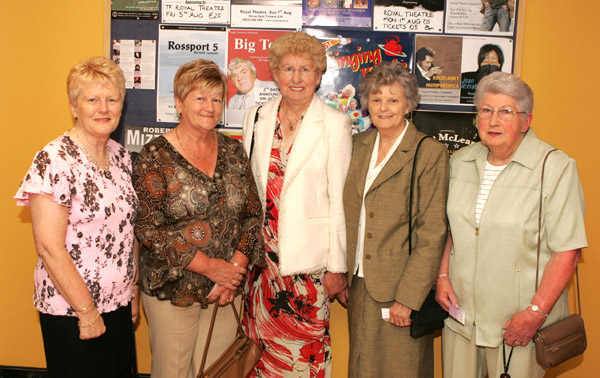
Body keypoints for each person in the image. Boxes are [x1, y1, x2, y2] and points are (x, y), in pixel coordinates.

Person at [436, 72, 587, 377]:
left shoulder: (554, 168)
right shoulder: (459, 162)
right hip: (462, 319)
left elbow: (566, 253)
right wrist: (442, 276)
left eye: (506, 112)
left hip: (518, 325)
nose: (493, 121)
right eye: (486, 110)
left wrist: (535, 314)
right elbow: (454, 230)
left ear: (526, 121)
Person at [133, 59, 264, 378]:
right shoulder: (154, 156)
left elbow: (252, 214)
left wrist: (235, 269)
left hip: (226, 292)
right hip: (173, 290)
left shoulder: (234, 152)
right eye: (200, 97)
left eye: (217, 98)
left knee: (218, 372)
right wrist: (211, 267)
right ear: (178, 102)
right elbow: (149, 229)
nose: (210, 106)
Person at [14, 56, 139, 378]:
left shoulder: (121, 157)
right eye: (92, 99)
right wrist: (87, 312)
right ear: (74, 106)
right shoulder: (54, 159)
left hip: (118, 304)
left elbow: (127, 230)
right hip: (72, 311)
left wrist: (133, 291)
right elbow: (49, 246)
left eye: (112, 99)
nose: (104, 108)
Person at [241, 31, 352, 377]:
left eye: (306, 69)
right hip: (261, 266)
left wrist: (337, 266)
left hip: (309, 270)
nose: (297, 78)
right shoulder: (256, 118)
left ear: (319, 75)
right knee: (257, 357)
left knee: (303, 356)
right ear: (275, 73)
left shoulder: (335, 124)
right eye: (288, 69)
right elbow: (248, 192)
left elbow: (339, 201)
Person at [341, 61, 449, 378]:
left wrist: (408, 297)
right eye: (376, 99)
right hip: (359, 285)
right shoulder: (356, 145)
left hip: (401, 289)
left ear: (409, 105)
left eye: (393, 99)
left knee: (402, 370)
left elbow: (432, 233)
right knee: (362, 367)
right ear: (366, 104)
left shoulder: (428, 153)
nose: (383, 107)